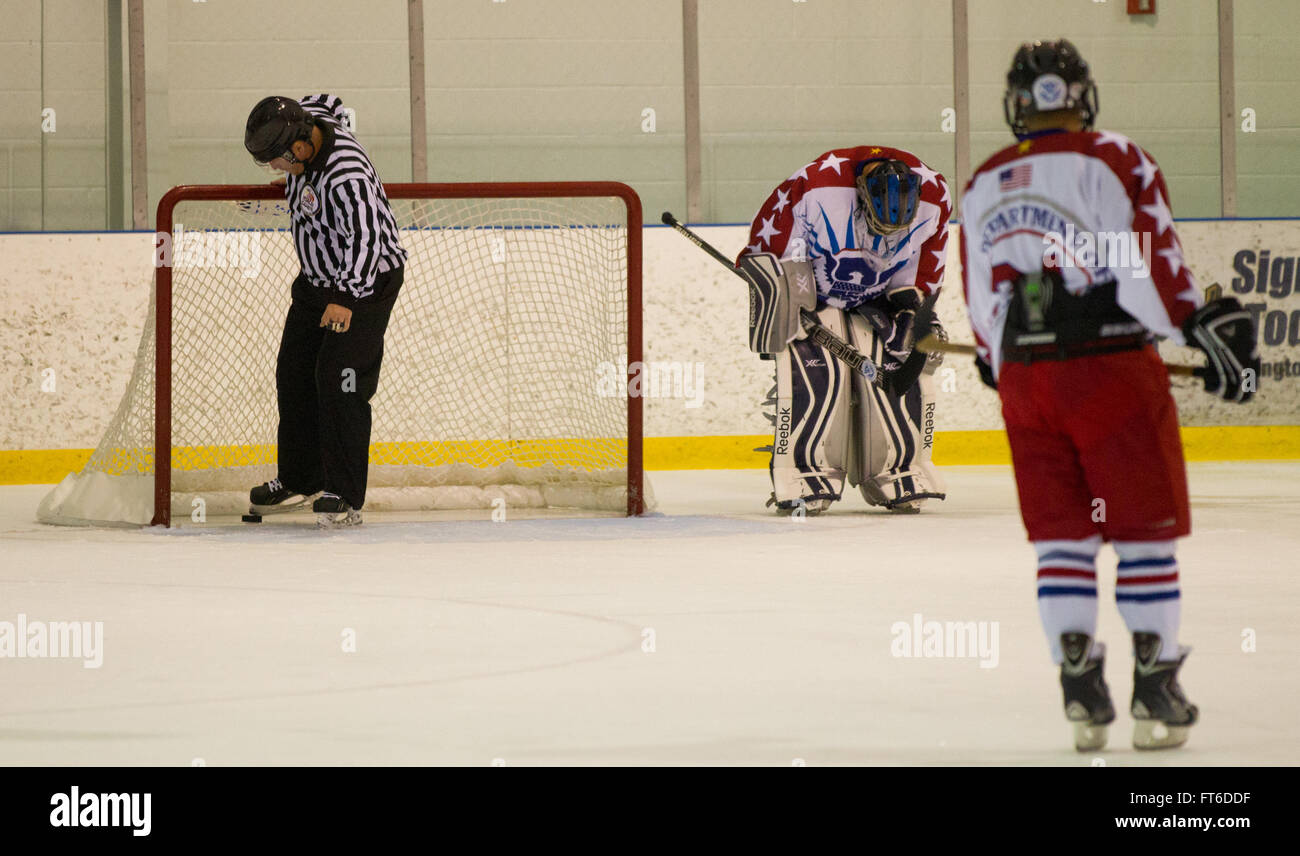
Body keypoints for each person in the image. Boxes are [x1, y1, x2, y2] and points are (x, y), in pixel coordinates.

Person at [958, 40, 1260, 750]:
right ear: (1081, 96)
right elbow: (1145, 259)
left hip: (1027, 382)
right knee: (1142, 533)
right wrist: (1192, 326)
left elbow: (980, 302)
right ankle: (1154, 694)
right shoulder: (1114, 157)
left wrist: (994, 361)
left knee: (1062, 536)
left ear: (1017, 105)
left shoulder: (981, 182)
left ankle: (1079, 690)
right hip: (1112, 372)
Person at [739, 146, 951, 515]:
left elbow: (924, 269)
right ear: (861, 197)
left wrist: (915, 315)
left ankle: (898, 470)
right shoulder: (818, 190)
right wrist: (791, 304)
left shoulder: (935, 198)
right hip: (812, 288)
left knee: (898, 361)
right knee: (815, 369)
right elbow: (771, 251)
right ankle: (805, 474)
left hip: (879, 294)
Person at [242, 94, 408, 527]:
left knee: (341, 382)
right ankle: (301, 477)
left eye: (276, 163)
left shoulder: (346, 174)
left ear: (299, 148)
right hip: (317, 282)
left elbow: (367, 239)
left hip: (364, 285)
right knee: (293, 373)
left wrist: (346, 297)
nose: (275, 171)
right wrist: (294, 184)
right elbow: (325, 101)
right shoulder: (309, 125)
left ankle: (344, 494)